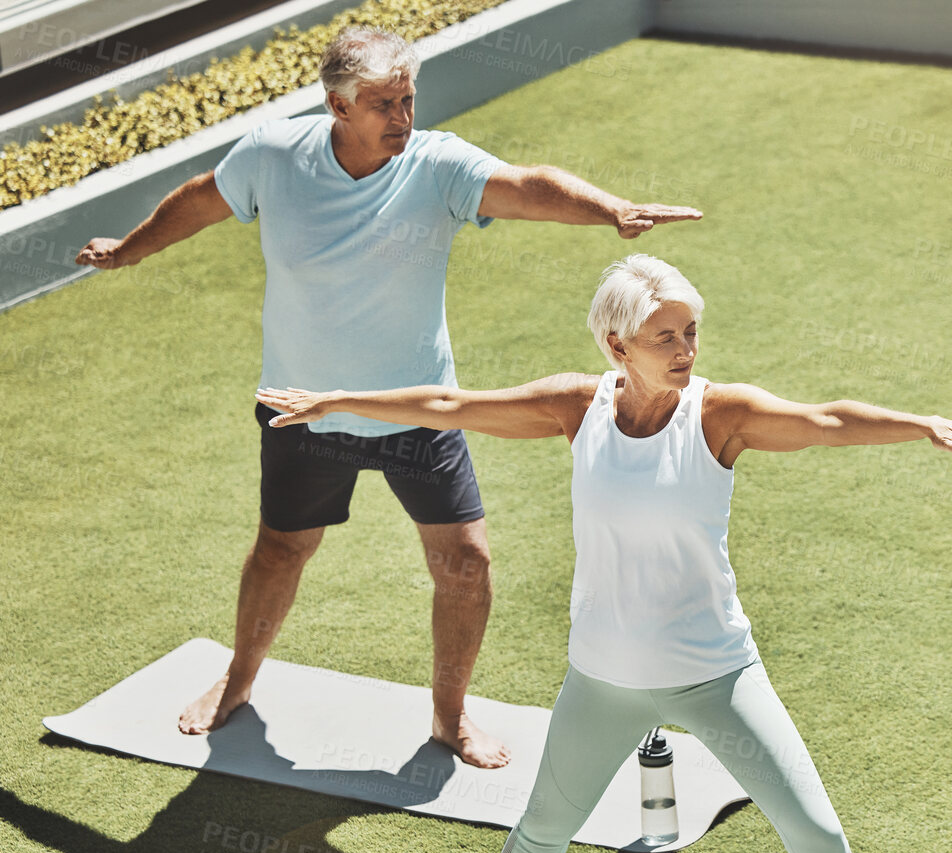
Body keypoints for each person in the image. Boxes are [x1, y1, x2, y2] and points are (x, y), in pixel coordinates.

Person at [257, 254, 952, 853]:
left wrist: (917, 423)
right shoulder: (573, 406)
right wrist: (337, 401)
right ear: (618, 346)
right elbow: (451, 405)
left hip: (716, 673)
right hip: (604, 677)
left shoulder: (721, 415)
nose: (686, 349)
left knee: (817, 836)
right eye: (666, 337)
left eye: (691, 332)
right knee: (546, 823)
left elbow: (825, 419)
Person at [74, 26, 701, 768]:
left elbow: (526, 185)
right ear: (338, 106)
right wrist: (128, 248)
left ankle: (449, 716)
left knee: (466, 561)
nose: (403, 118)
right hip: (302, 405)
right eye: (384, 105)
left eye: (408, 99)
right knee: (281, 547)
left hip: (417, 409)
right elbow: (200, 201)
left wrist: (610, 209)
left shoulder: (436, 165)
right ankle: (238, 679)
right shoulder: (273, 156)